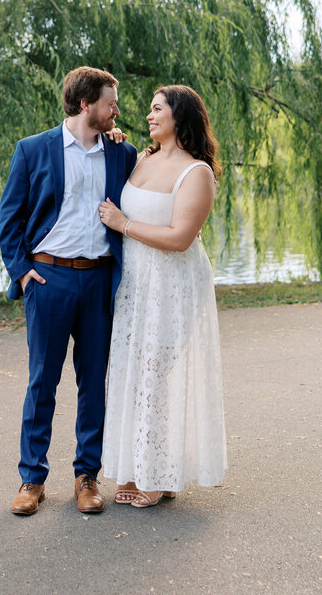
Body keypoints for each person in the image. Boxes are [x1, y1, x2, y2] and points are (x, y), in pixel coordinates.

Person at [0, 66, 137, 516]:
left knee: (93, 381)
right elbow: (10, 219)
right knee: (43, 381)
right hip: (48, 279)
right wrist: (22, 273)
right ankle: (31, 479)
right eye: (110, 103)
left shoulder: (122, 153)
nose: (117, 111)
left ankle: (86, 477)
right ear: (85, 105)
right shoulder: (33, 150)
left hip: (98, 280)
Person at [98, 84, 227, 507]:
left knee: (158, 376)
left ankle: (158, 477)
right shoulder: (140, 159)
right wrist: (111, 138)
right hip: (135, 284)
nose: (148, 116)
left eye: (157, 110)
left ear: (179, 116)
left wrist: (122, 224)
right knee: (133, 375)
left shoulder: (197, 173)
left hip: (172, 286)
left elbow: (180, 238)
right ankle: (139, 468)